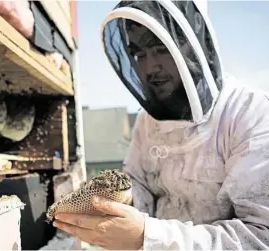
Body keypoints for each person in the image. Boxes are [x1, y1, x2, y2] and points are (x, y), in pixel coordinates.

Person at [53, 0, 269, 249]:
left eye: (160, 48)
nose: (149, 67)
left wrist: (146, 237)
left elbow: (260, 237)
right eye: (139, 54)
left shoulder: (251, 115)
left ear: (192, 44)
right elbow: (141, 184)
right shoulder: (149, 119)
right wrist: (124, 198)